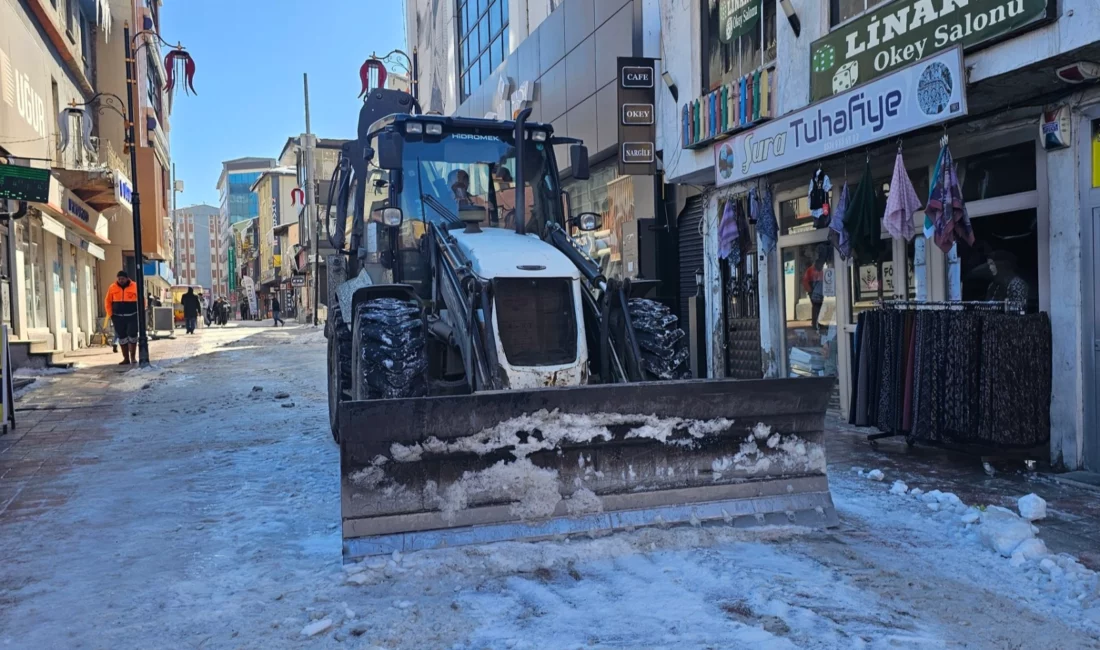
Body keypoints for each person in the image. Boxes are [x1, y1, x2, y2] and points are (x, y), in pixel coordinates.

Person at [105, 270, 138, 365]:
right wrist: (111, 314)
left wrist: (140, 312)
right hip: (118, 317)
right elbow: (107, 301)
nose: (121, 280)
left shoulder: (135, 286)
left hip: (132, 316)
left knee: (132, 336)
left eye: (122, 278)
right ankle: (126, 358)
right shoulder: (112, 287)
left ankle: (133, 357)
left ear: (127, 278)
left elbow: (142, 300)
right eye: (119, 279)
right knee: (122, 337)